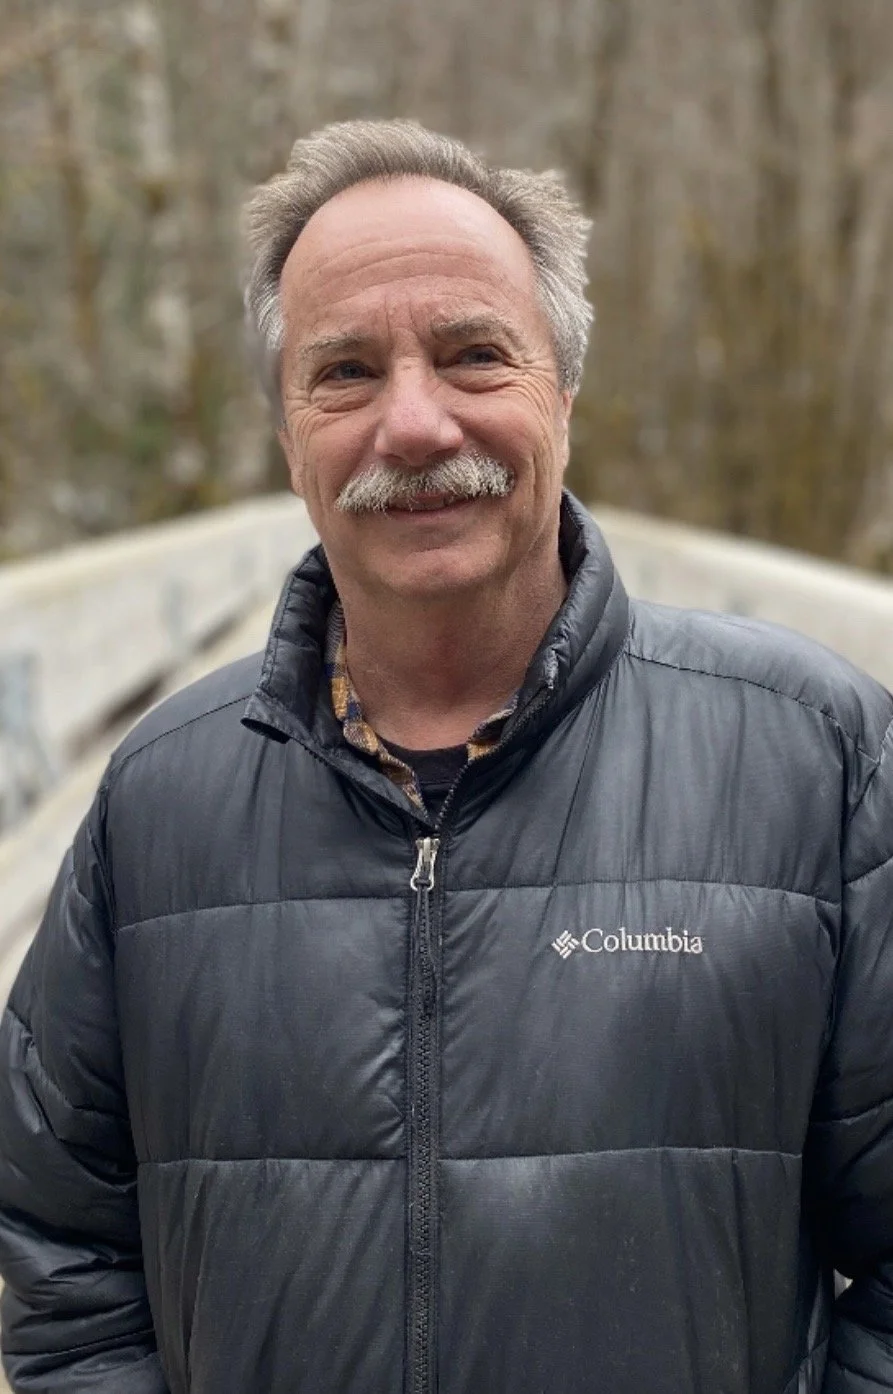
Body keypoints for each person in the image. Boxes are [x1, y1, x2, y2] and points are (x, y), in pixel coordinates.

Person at [1, 118, 892, 1394]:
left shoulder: (817, 758)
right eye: (346, 371)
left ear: (564, 395)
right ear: (287, 436)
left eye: (474, 354)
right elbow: (57, 1243)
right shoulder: (160, 799)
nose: (412, 425)